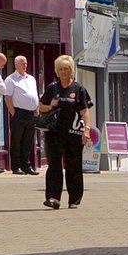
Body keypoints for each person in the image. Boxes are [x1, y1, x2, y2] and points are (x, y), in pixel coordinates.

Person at [38, 54, 92, 210]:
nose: (63, 72)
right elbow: (41, 107)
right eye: (61, 69)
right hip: (53, 133)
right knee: (54, 164)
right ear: (56, 71)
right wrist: (51, 105)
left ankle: (74, 198)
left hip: (73, 133)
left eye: (66, 69)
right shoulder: (52, 88)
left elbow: (85, 111)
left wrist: (86, 130)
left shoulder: (79, 89)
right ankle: (53, 197)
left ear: (71, 70)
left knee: (73, 165)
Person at [2, 55, 42, 174]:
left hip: (31, 113)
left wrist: (37, 108)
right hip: (19, 113)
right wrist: (13, 112)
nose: (25, 65)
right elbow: (7, 97)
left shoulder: (31, 78)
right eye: (22, 63)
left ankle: (26, 166)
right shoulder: (11, 79)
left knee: (28, 141)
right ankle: (16, 166)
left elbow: (35, 94)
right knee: (16, 140)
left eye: (26, 63)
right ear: (16, 64)